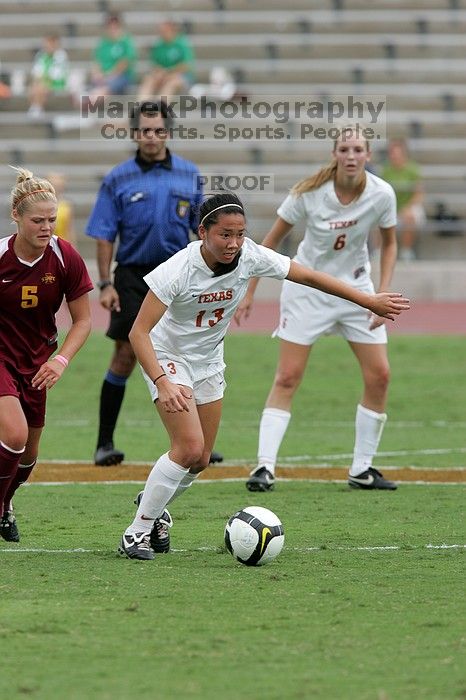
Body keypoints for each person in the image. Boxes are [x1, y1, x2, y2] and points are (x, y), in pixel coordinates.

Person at [118, 191, 409, 560]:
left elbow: (308, 275)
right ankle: (137, 531)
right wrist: (161, 379)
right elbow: (137, 333)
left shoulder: (250, 255)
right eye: (225, 234)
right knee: (187, 448)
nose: (234, 243)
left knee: (202, 458)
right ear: (202, 232)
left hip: (208, 360)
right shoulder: (177, 269)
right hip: (168, 357)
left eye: (240, 234)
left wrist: (367, 299)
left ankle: (153, 504)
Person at [234, 125, 401, 494]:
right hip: (307, 290)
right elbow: (269, 243)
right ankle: (264, 467)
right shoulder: (308, 192)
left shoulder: (382, 194)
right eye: (345, 149)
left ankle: (362, 469)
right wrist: (249, 293)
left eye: (359, 149)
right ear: (335, 154)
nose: (352, 156)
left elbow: (390, 244)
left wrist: (382, 293)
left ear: (369, 155)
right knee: (288, 377)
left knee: (380, 376)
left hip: (358, 291)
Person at [86, 100, 223, 467]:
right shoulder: (117, 178)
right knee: (126, 354)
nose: (152, 136)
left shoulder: (189, 174)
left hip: (180, 273)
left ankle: (197, 440)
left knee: (188, 350)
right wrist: (104, 284)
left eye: (158, 130)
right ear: (135, 134)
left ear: (168, 132)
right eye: (145, 130)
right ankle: (104, 443)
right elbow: (103, 234)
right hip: (132, 276)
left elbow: (202, 229)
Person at [0, 167, 93, 542]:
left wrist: (59, 360)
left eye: (52, 220)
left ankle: (6, 505)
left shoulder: (64, 256)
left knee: (27, 457)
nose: (46, 227)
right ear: (16, 218)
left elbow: (84, 321)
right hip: (1, 357)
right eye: (37, 220)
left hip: (37, 362)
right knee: (14, 434)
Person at [380, 138, 426, 261]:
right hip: (391, 206)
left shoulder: (413, 169)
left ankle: (406, 251)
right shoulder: (385, 169)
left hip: (408, 206)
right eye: (392, 153)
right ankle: (380, 250)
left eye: (397, 153)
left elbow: (419, 194)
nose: (394, 156)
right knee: (376, 215)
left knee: (410, 216)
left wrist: (407, 208)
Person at [138, 19, 195, 101]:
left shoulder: (182, 44)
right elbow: (155, 64)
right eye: (161, 31)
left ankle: (160, 109)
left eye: (165, 31)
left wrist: (168, 73)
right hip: (164, 75)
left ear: (172, 30)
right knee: (149, 80)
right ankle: (141, 107)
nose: (162, 33)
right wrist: (160, 73)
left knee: (171, 83)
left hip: (181, 76)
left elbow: (186, 66)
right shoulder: (159, 45)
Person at [89, 13, 137, 98]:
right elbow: (97, 61)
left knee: (112, 83)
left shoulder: (126, 41)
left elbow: (125, 63)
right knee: (96, 80)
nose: (112, 29)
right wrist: (97, 73)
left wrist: (109, 75)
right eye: (110, 26)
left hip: (121, 76)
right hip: (104, 77)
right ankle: (96, 95)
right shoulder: (104, 42)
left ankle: (94, 97)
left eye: (115, 26)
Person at [28, 35, 69, 117]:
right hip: (44, 83)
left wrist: (43, 80)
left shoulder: (61, 55)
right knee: (34, 87)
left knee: (40, 87)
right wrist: (39, 81)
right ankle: (37, 108)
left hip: (57, 83)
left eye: (49, 44)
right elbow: (37, 72)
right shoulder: (41, 55)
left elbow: (57, 76)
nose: (47, 46)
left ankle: (36, 109)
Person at [46, 172, 76, 246]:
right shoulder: (42, 205)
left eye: (58, 186)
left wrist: (73, 249)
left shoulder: (66, 206)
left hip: (62, 244)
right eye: (54, 185)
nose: (56, 189)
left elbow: (69, 230)